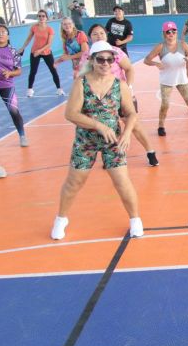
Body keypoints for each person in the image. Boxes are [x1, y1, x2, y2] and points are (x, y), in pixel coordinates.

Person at [51, 41, 144, 240]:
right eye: (100, 59)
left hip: (113, 141)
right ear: (92, 60)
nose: (105, 63)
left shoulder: (119, 85)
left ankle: (135, 220)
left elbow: (131, 113)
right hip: (86, 141)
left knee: (122, 181)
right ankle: (61, 219)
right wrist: (98, 126)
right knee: (74, 182)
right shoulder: (81, 83)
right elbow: (71, 114)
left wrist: (127, 133)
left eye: (109, 60)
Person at [80, 24, 158, 166]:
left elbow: (129, 69)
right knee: (106, 127)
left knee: (133, 124)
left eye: (101, 33)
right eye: (95, 34)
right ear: (90, 37)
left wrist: (129, 88)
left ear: (106, 35)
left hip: (120, 94)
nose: (99, 36)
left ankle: (150, 151)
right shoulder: (86, 56)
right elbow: (82, 77)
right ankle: (110, 155)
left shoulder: (116, 52)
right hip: (100, 99)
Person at [144, 21, 188, 136]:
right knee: (165, 104)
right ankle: (161, 126)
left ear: (177, 32)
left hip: (182, 80)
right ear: (164, 34)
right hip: (166, 81)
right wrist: (155, 64)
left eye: (173, 31)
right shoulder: (160, 47)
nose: (171, 34)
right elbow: (146, 60)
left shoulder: (183, 45)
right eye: (168, 32)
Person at [17, 9, 62, 98]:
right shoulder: (34, 27)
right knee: (33, 71)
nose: (41, 17)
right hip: (34, 52)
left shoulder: (50, 29)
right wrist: (22, 48)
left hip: (46, 52)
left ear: (46, 18)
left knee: (53, 70)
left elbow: (49, 44)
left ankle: (59, 89)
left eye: (43, 16)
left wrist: (40, 51)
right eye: (39, 16)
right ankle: (30, 90)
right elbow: (29, 39)